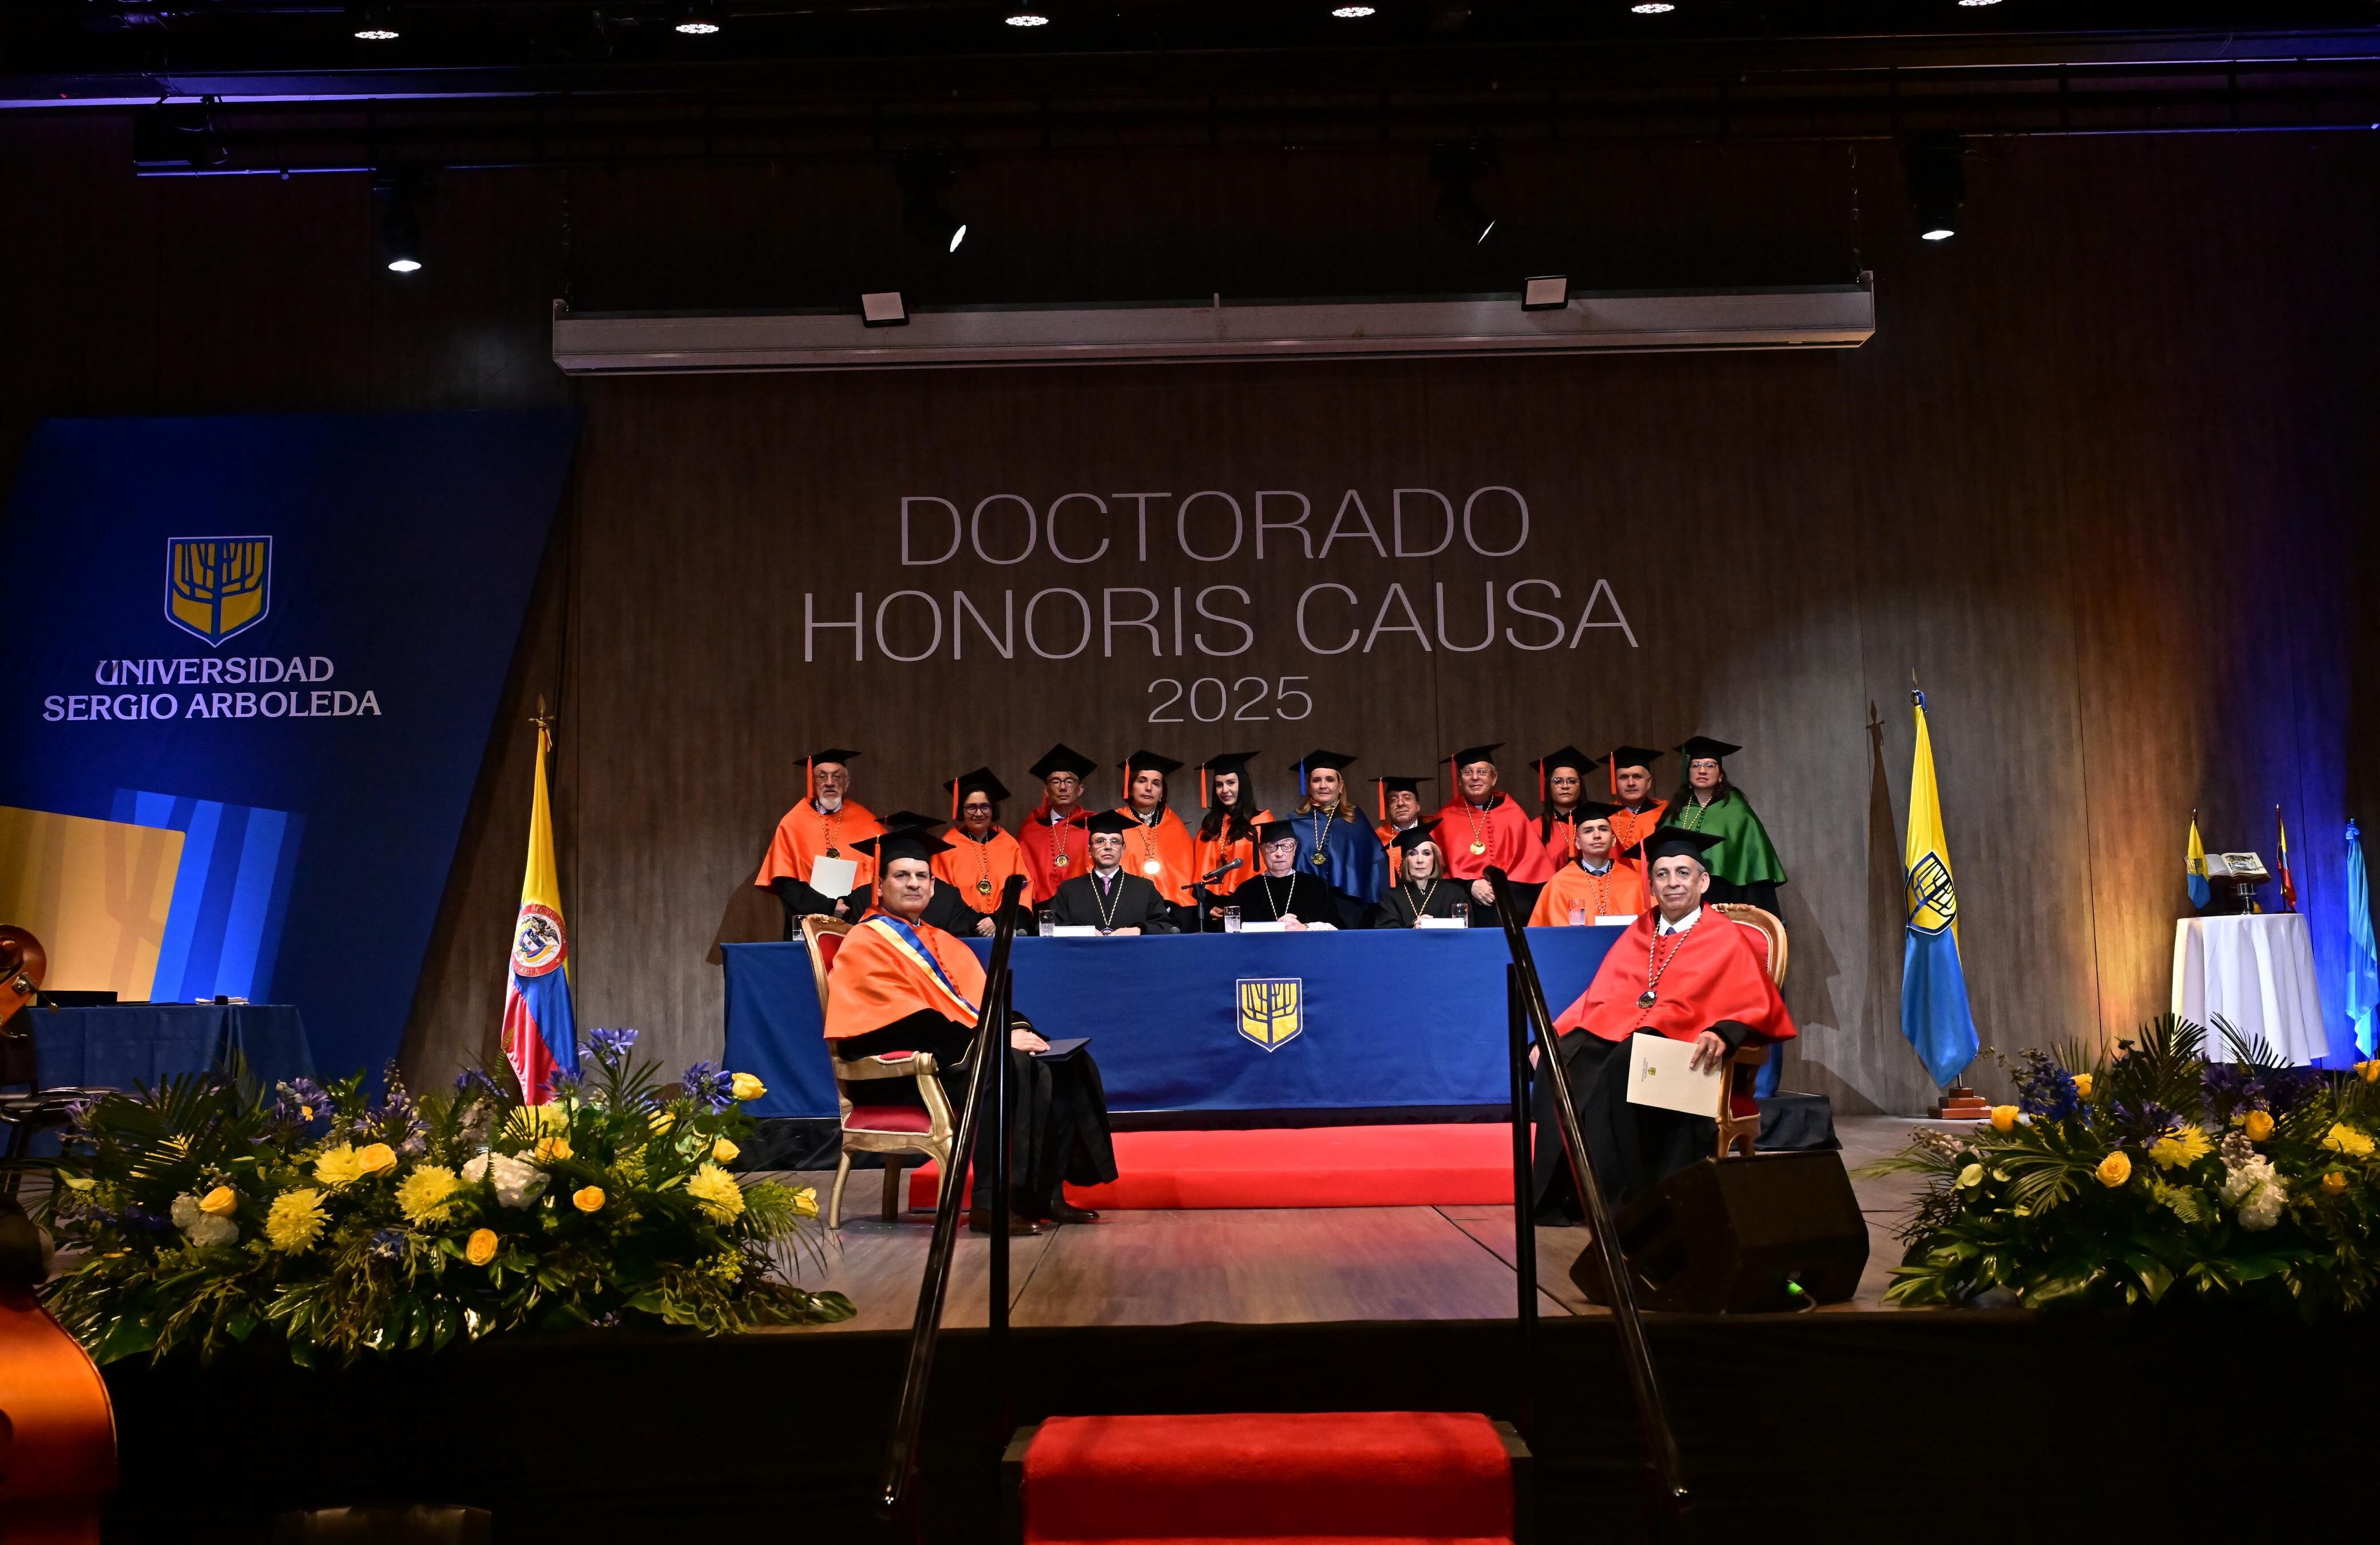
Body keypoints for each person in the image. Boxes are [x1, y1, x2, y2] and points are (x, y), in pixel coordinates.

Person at [825, 827, 1117, 1233]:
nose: (913, 883)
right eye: (902, 875)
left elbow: (981, 1003)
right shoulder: (865, 940)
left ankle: (1044, 1195)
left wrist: (1017, 1028)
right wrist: (996, 1042)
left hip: (949, 1053)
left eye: (921, 876)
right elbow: (901, 1020)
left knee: (1060, 1061)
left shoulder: (938, 938)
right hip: (899, 1069)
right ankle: (991, 1204)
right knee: (1006, 1065)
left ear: (933, 886)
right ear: (880, 885)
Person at [1529, 827, 1796, 1221]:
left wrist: (1724, 1031)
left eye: (1684, 873)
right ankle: (1571, 1197)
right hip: (1629, 1033)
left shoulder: (1724, 936)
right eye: (1663, 874)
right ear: (1651, 884)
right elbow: (1601, 996)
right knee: (1566, 1058)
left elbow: (1752, 1001)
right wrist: (1554, 1036)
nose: (1673, 883)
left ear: (1703, 881)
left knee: (1627, 1062)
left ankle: (1632, 1200)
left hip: (1684, 1048)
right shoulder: (1642, 930)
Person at [754, 747, 886, 928]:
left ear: (847, 783)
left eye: (837, 777)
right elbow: (787, 885)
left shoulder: (870, 824)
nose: (830, 782)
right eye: (822, 776)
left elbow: (880, 882)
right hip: (807, 925)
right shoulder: (793, 823)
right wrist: (829, 907)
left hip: (858, 924)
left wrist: (849, 906)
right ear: (812, 782)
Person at [1662, 736, 1787, 914]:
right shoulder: (1676, 812)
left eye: (1710, 765)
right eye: (1696, 765)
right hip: (1680, 897)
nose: (1702, 770)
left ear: (1720, 775)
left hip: (1724, 897)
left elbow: (1753, 862)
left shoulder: (1736, 811)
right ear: (1688, 774)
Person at [1430, 743, 1553, 922]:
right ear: (1459, 780)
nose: (1475, 778)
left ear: (1494, 778)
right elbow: (1438, 877)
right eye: (1468, 772)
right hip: (1464, 907)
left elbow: (1534, 870)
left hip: (1510, 904)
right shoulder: (1444, 818)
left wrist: (1501, 889)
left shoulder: (1513, 813)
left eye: (1482, 772)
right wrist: (1469, 885)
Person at [1289, 750, 1392, 923]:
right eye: (1317, 780)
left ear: (1341, 785)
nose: (1323, 785)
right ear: (1309, 786)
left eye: (1330, 780)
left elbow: (1376, 863)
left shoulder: (1355, 820)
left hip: (1350, 907)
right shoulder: (1294, 821)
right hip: (1308, 905)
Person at [929, 769, 1033, 938]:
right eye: (971, 807)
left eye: (985, 807)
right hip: (963, 932)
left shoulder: (1009, 845)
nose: (978, 813)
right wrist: (978, 923)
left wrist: (997, 920)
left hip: (1004, 931)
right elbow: (942, 896)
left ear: (993, 810)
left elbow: (1023, 889)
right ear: (962, 810)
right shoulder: (947, 847)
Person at [1050, 810, 1182, 935]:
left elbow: (1167, 926)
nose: (1108, 847)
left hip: (1132, 956)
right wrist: (1083, 932)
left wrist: (1138, 930)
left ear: (1123, 849)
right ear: (1090, 850)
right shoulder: (1069, 889)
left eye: (1115, 842)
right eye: (1100, 841)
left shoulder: (1145, 888)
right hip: (1084, 957)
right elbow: (1049, 927)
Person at [1528, 801, 1648, 927]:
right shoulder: (1559, 884)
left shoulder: (1634, 882)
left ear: (1613, 841)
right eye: (1588, 831)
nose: (1597, 835)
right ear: (1577, 843)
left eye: (1603, 829)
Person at [1115, 750, 1199, 923]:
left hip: (1171, 912)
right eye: (1142, 781)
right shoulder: (1115, 823)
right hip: (1125, 910)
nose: (1148, 788)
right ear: (1130, 787)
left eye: (1156, 783)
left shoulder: (1174, 824)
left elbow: (1184, 872)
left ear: (1162, 793)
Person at [1192, 750, 1272, 928]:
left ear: (1242, 785)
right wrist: (1207, 906)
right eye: (1219, 785)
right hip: (1216, 909)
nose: (1225, 790)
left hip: (1253, 905)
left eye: (1231, 783)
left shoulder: (1261, 822)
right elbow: (1199, 871)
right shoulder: (1209, 827)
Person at [1224, 820, 1344, 928]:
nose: (1279, 853)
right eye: (1271, 847)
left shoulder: (1316, 886)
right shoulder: (1246, 891)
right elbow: (1230, 934)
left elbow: (1336, 929)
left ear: (1295, 848)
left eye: (1286, 846)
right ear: (1261, 850)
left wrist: (1304, 929)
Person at [1018, 744, 1097, 905]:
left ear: (1080, 790)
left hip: (1084, 904)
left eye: (1069, 782)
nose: (1062, 787)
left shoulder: (1093, 824)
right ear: (1046, 790)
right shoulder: (1031, 828)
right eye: (1055, 782)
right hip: (1043, 908)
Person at [1367, 827, 1465, 927]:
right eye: (1413, 854)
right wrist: (1413, 930)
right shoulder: (1391, 897)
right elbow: (1387, 937)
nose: (1420, 860)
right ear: (1406, 861)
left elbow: (1465, 936)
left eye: (1427, 854)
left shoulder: (1455, 894)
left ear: (1434, 859)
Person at [1530, 746, 1600, 875]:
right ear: (1548, 787)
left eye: (1572, 781)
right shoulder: (1535, 828)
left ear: (1581, 787)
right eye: (1557, 782)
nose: (1565, 786)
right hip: (1551, 892)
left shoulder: (1597, 824)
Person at [1602, 745, 1668, 867]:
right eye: (1624, 777)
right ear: (1615, 783)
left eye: (1637, 777)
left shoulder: (1667, 812)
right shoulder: (1605, 816)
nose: (1631, 783)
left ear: (1648, 782)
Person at [1371, 774, 1433, 851]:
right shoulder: (1378, 839)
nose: (1400, 803)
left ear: (1418, 806)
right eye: (1393, 800)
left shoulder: (1435, 831)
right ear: (1387, 807)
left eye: (1407, 798)